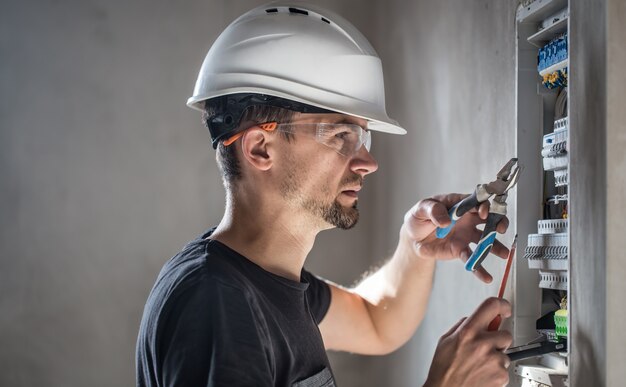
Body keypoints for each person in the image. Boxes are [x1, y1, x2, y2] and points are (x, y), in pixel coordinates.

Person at [136, 3, 513, 386]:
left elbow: (375, 321)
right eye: (340, 136)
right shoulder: (217, 304)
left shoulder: (267, 282)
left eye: (363, 137)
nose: (368, 161)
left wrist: (414, 247)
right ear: (260, 149)